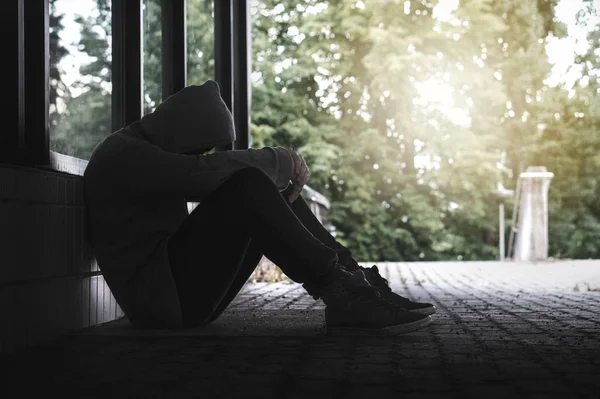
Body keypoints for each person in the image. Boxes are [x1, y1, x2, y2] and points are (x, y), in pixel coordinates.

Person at [83, 80, 436, 335]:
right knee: (247, 185)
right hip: (161, 304)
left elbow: (205, 172)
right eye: (199, 147)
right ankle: (339, 291)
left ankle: (354, 284)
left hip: (178, 295)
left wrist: (277, 176)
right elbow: (200, 174)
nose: (201, 155)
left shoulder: (144, 150)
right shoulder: (124, 154)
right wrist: (281, 159)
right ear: (181, 131)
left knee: (266, 189)